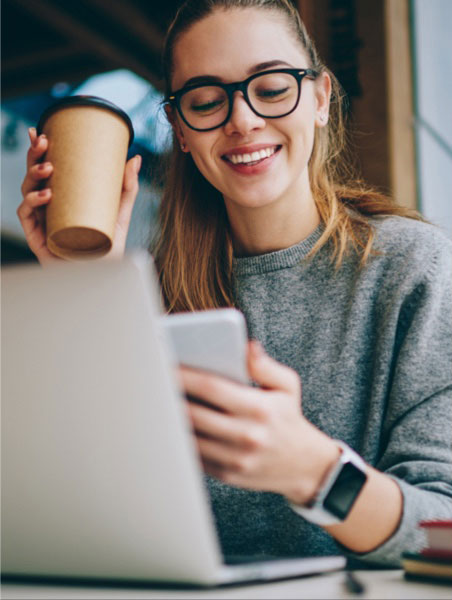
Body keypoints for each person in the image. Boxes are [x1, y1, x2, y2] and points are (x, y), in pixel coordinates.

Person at [18, 0, 451, 568]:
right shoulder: (147, 295)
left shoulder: (413, 267)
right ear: (180, 130)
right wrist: (86, 296)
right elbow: (82, 510)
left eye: (271, 88)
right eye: (205, 101)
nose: (242, 120)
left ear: (320, 99)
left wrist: (316, 472)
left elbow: (441, 533)